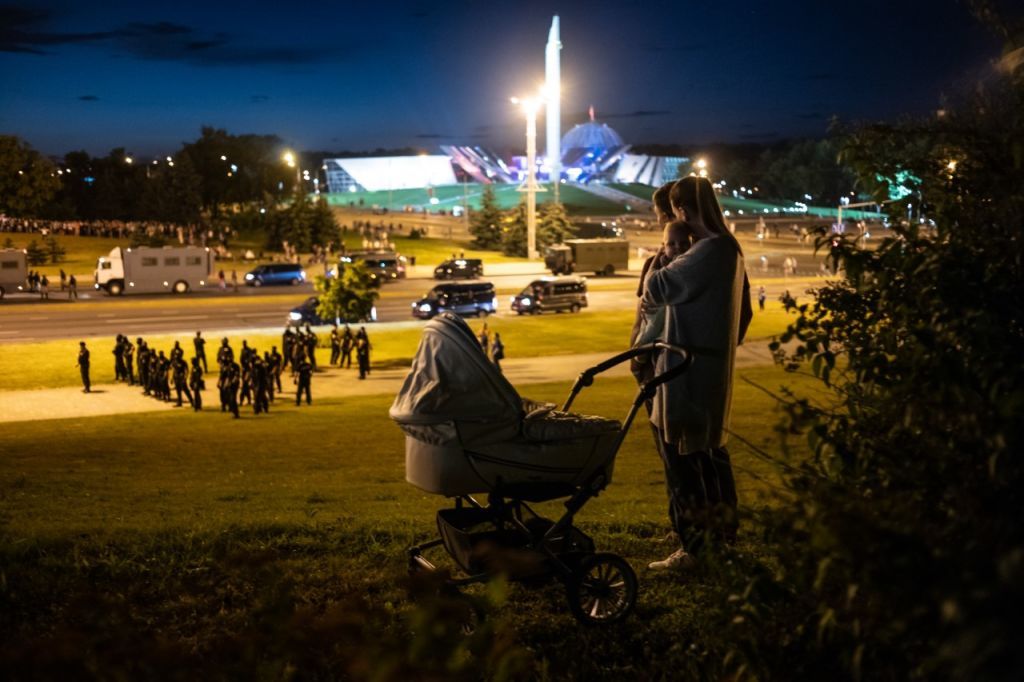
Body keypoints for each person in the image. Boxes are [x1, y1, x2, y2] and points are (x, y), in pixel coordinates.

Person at [638, 176, 751, 571]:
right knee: (701, 460)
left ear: (683, 211)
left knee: (684, 463)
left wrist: (659, 260)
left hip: (687, 373)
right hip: (704, 367)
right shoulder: (727, 249)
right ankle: (714, 540)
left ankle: (696, 549)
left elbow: (656, 290)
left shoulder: (709, 252)